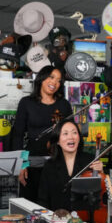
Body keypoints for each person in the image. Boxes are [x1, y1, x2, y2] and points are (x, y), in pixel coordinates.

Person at [11, 65, 72, 203]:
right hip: (31, 161)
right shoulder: (26, 103)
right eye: (51, 77)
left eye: (58, 80)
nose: (54, 83)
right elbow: (18, 135)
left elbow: (72, 135)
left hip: (57, 163)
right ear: (42, 78)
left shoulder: (64, 105)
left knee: (55, 205)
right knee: (30, 205)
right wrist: (22, 164)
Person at [37, 120, 103, 211]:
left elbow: (101, 195)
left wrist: (101, 173)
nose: (71, 137)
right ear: (57, 141)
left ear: (79, 138)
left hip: (85, 219)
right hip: (58, 220)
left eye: (74, 133)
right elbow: (43, 199)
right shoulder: (50, 165)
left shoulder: (91, 161)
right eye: (65, 133)